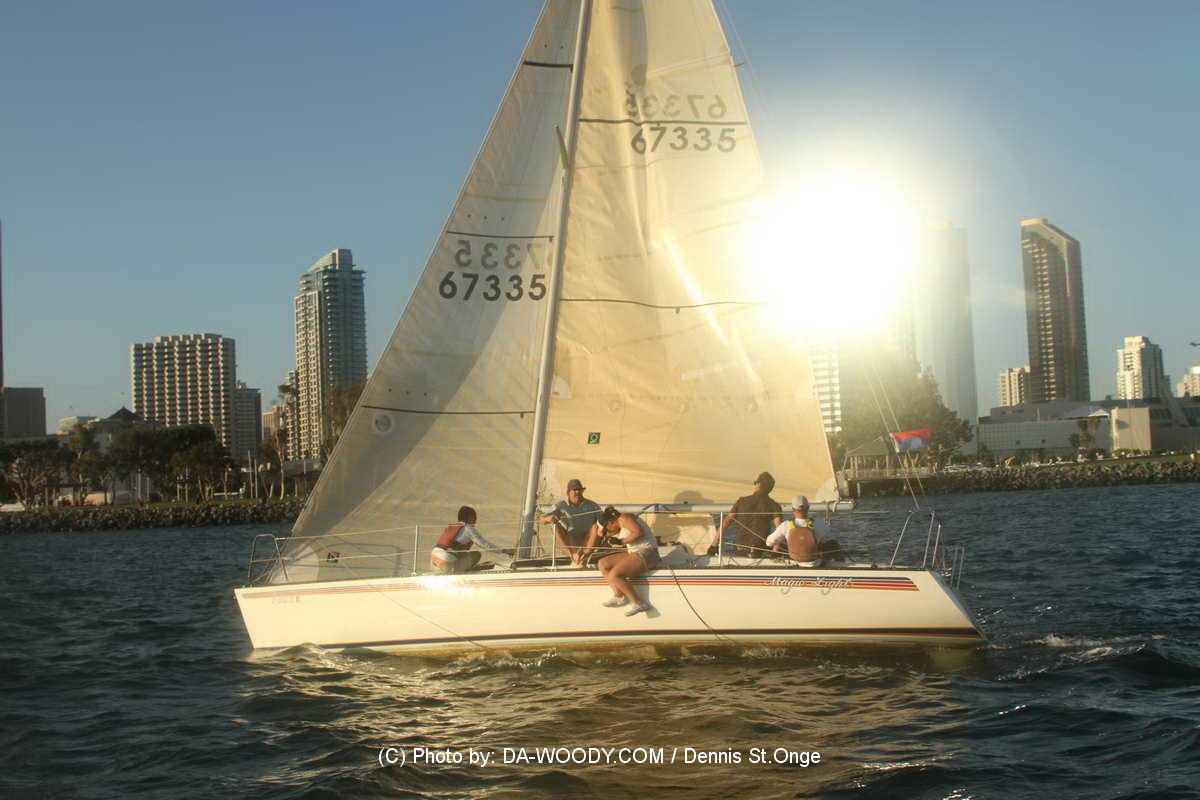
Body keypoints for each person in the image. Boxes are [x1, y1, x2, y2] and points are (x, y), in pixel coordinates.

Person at [583, 506, 659, 616]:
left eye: (607, 529)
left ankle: (640, 603)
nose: (608, 532)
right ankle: (619, 596)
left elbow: (638, 532)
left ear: (611, 522)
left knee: (615, 575)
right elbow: (600, 533)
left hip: (648, 552)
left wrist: (621, 542)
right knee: (603, 564)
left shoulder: (625, 518)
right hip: (635, 552)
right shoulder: (616, 525)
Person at [707, 471, 782, 557]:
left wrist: (714, 545)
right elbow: (779, 529)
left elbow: (726, 522)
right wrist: (776, 551)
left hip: (740, 548)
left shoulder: (742, 501)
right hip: (761, 549)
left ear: (758, 484)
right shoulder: (774, 505)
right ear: (770, 489)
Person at [539, 478, 602, 563]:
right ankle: (572, 556)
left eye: (579, 490)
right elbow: (541, 519)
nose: (577, 492)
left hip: (589, 540)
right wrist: (547, 518)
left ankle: (584, 556)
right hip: (571, 541)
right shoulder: (561, 506)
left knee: (596, 527)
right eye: (574, 490)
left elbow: (603, 521)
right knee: (556, 527)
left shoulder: (592, 506)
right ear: (568, 493)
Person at [430, 505, 502, 574]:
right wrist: (504, 550)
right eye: (474, 518)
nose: (475, 522)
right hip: (447, 565)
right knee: (476, 554)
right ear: (469, 517)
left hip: (433, 564)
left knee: (463, 554)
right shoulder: (468, 529)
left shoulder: (451, 527)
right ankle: (465, 570)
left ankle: (458, 567)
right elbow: (485, 545)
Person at [765, 495, 829, 566]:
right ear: (808, 508)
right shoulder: (819, 524)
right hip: (815, 564)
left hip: (794, 564)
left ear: (793, 509)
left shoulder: (786, 525)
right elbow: (829, 539)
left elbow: (769, 542)